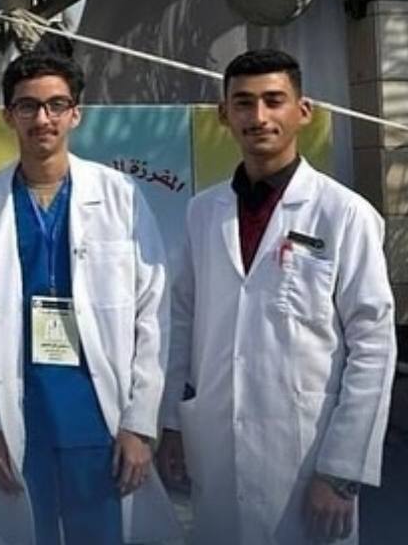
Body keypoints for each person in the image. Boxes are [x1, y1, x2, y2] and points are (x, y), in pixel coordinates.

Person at [157, 49, 397, 544]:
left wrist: (341, 470)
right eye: (243, 103)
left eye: (273, 100)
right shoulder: (204, 213)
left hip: (308, 454)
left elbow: (373, 345)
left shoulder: (343, 214)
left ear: (302, 111)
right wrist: (171, 422)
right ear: (224, 114)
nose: (259, 116)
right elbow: (181, 321)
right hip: (219, 446)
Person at [0, 53, 178, 545]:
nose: (43, 118)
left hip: (100, 412)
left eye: (56, 105)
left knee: (103, 532)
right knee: (25, 532)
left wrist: (141, 425)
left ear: (76, 113)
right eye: (28, 106)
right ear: (8, 115)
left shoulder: (119, 195)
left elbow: (153, 313)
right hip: (20, 409)